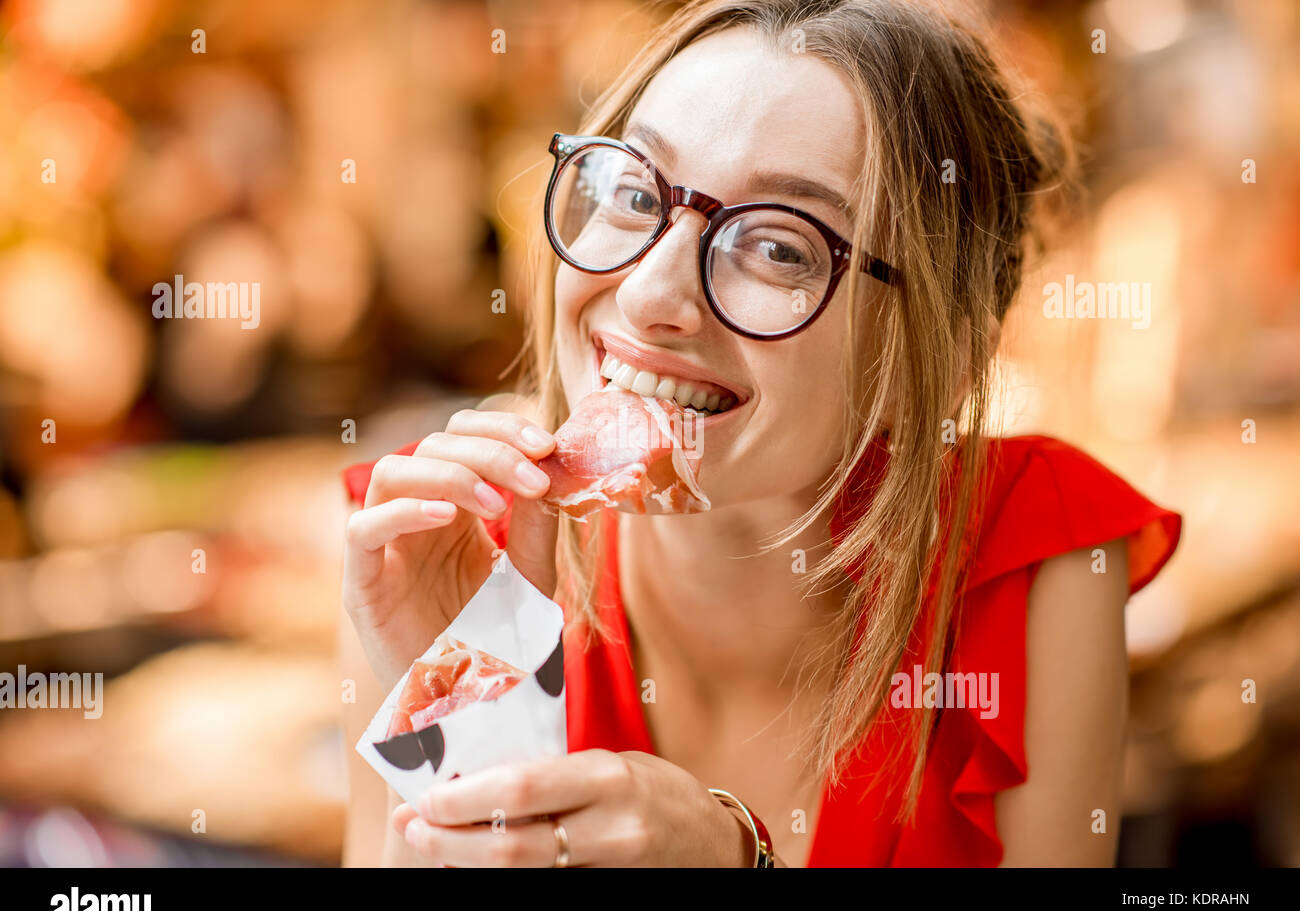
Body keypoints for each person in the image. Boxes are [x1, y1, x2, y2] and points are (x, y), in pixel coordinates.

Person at [338, 0, 1182, 867]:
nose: (648, 295)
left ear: (944, 357)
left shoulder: (1032, 550)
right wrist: (468, 724)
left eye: (780, 248)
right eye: (636, 194)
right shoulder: (431, 536)